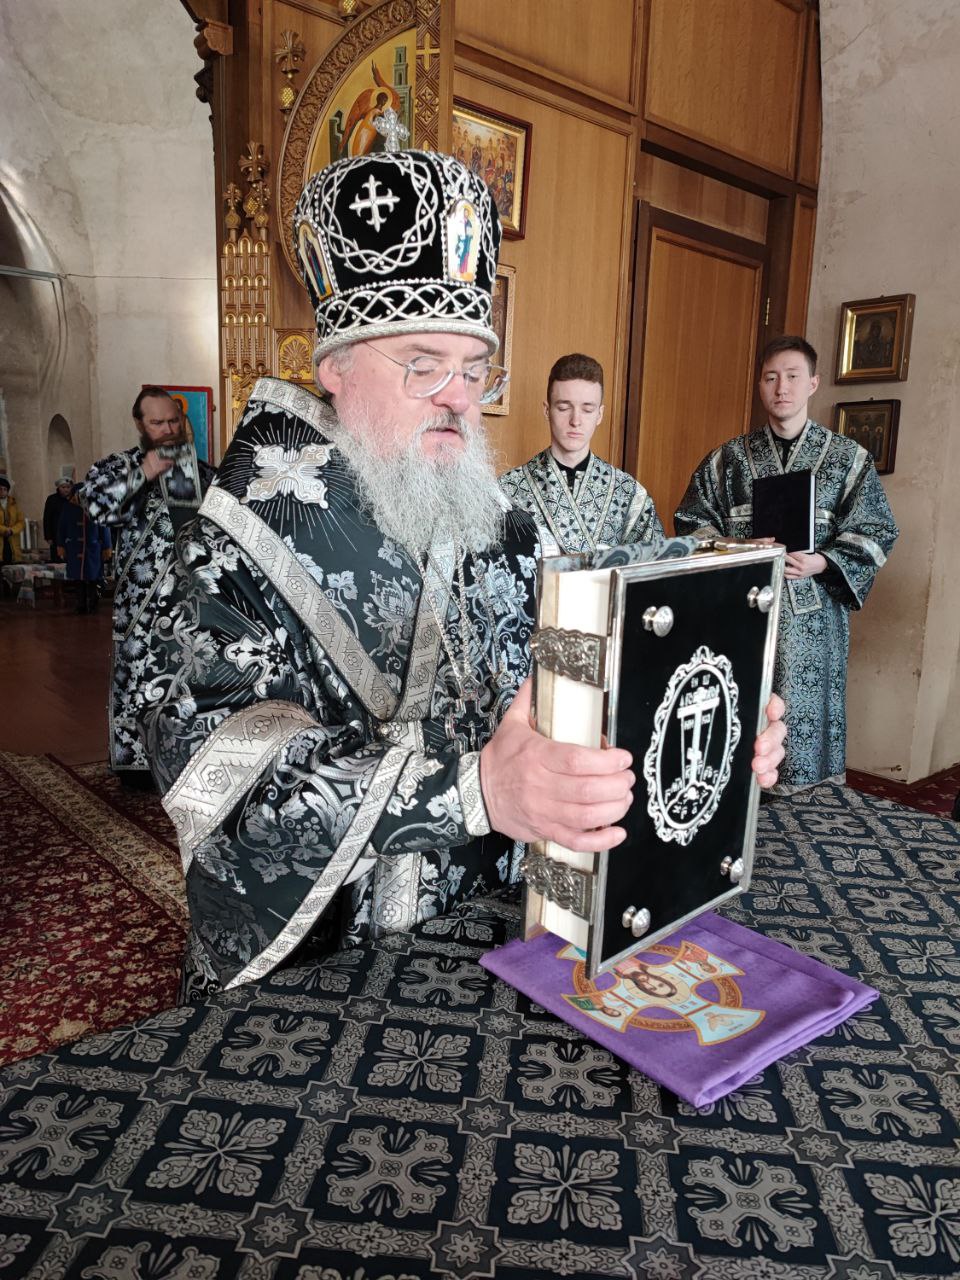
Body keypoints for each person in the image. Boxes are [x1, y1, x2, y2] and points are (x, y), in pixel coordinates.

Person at [139, 148, 785, 1001]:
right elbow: (222, 783)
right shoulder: (227, 548)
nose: (457, 396)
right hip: (327, 973)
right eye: (423, 364)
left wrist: (719, 717)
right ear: (336, 367)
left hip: (508, 930)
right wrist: (475, 791)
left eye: (475, 368)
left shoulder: (502, 521)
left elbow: (608, 654)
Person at [675, 335, 898, 795]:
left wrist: (823, 561)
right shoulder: (726, 461)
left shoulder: (848, 459)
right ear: (760, 385)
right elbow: (691, 525)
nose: (782, 388)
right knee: (739, 736)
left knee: (805, 749)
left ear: (813, 383)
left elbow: (877, 530)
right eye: (771, 377)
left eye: (793, 377)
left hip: (813, 622)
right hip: (741, 616)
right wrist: (738, 549)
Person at [79, 387, 214, 787]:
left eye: (174, 421)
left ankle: (191, 761)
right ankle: (138, 767)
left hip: (194, 604)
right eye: (157, 422)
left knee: (194, 680)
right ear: (140, 424)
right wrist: (144, 472)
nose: (168, 429)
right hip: (141, 606)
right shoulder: (117, 466)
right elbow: (97, 507)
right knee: (139, 681)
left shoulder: (204, 474)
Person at [499, 353, 662, 552]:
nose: (575, 421)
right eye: (564, 408)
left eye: (587, 410)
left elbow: (654, 564)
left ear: (599, 414)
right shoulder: (507, 491)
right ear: (547, 410)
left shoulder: (630, 494)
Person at [57, 484, 112, 614]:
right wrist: (61, 545)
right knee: (78, 579)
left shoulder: (96, 507)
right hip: (75, 549)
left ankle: (93, 604)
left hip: (92, 549)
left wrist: (107, 546)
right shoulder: (68, 508)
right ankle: (80, 605)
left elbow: (104, 528)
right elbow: (61, 528)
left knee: (94, 578)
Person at [43, 478, 73, 563]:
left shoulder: (73, 499)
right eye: (63, 487)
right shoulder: (52, 499)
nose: (66, 490)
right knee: (57, 560)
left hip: (70, 535)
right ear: (58, 488)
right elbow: (47, 518)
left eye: (68, 487)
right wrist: (48, 536)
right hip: (55, 535)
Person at [0, 476, 25, 566]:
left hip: (12, 539)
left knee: (11, 566)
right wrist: (4, 530)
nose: (2, 491)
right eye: (0, 489)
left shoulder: (14, 503)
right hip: (1, 537)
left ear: (8, 491)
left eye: (4, 489)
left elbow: (21, 522)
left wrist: (12, 530)